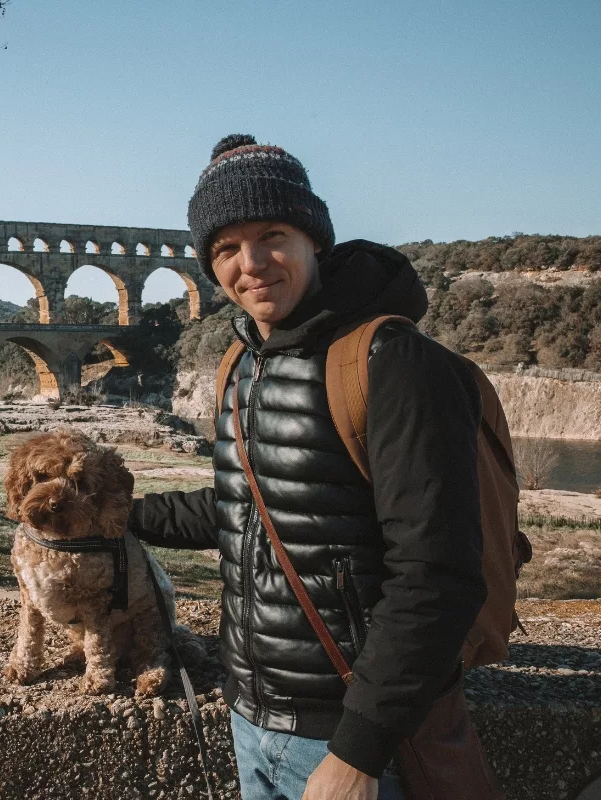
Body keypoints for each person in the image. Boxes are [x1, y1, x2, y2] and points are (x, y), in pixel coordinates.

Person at [128, 134, 487, 800]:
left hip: (349, 739)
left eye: (273, 235)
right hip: (250, 717)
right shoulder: (243, 363)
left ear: (314, 238)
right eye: (227, 249)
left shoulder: (394, 363)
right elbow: (250, 503)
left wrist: (357, 752)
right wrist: (115, 516)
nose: (253, 263)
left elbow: (437, 574)